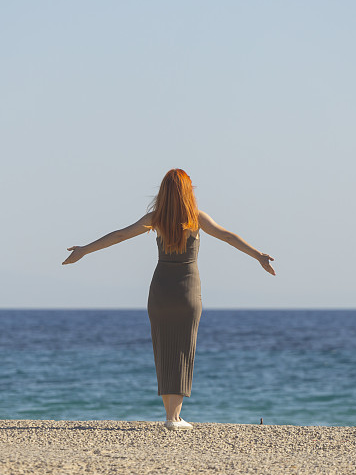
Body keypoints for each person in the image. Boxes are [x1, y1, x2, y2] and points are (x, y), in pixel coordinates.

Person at [62, 169, 275, 430]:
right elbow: (229, 237)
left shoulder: (155, 219)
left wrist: (84, 250)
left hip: (161, 291)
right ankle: (175, 418)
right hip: (188, 292)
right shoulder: (197, 219)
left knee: (164, 350)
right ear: (188, 192)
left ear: (163, 192)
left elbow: (118, 235)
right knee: (183, 350)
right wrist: (259, 256)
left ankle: (170, 417)